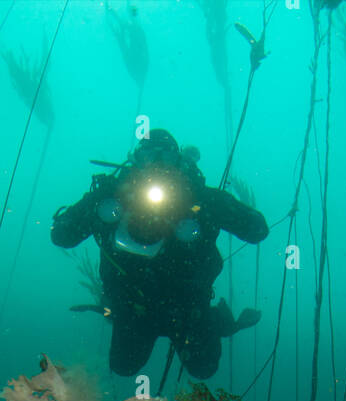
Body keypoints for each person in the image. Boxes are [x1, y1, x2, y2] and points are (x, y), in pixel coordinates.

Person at [51, 129, 267, 378]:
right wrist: (96, 203)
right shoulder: (113, 196)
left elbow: (258, 230)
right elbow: (61, 236)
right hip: (133, 308)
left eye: (165, 157)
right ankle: (213, 323)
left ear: (179, 162)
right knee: (122, 367)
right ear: (135, 160)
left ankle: (216, 319)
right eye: (149, 156)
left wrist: (213, 206)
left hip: (187, 308)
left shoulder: (199, 199)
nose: (156, 165)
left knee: (205, 368)